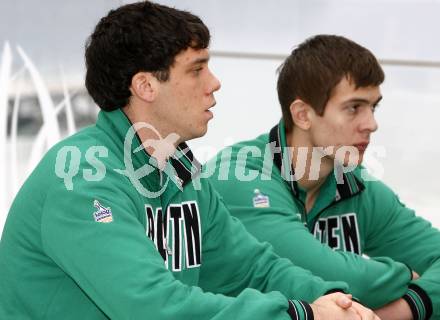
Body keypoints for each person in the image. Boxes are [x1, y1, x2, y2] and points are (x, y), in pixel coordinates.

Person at [0, 3, 379, 320]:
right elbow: (153, 308)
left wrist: (336, 300)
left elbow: (250, 267)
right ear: (146, 85)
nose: (214, 83)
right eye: (197, 69)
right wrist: (304, 314)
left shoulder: (179, 169)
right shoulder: (81, 178)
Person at [207, 35, 439, 320]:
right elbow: (330, 276)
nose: (372, 124)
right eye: (354, 107)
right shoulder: (239, 176)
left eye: (373, 107)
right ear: (303, 115)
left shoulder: (355, 183)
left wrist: (405, 308)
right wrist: (406, 275)